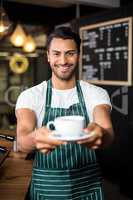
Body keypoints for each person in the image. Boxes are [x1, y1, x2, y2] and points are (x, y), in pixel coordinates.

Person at [15, 26, 114, 200]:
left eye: (70, 53)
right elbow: (22, 140)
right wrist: (35, 138)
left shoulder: (96, 93)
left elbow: (107, 131)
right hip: (45, 190)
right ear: (47, 56)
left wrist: (101, 135)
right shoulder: (30, 96)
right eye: (56, 53)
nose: (63, 60)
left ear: (78, 55)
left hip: (88, 189)